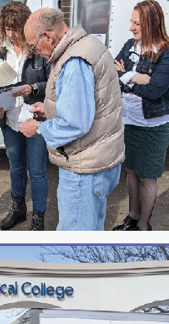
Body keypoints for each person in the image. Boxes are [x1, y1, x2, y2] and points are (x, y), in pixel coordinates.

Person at [19, 9, 124, 231]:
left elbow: (76, 123)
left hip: (84, 167)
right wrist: (49, 109)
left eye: (33, 45)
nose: (34, 51)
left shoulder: (74, 61)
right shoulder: (88, 44)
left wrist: (38, 128)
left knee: (74, 243)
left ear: (48, 36)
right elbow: (89, 104)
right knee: (91, 231)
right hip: (98, 158)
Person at [0, 2, 50, 231]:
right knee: (15, 167)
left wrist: (32, 88)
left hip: (34, 119)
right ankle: (18, 209)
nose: (11, 35)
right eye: (7, 29)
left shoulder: (37, 49)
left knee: (36, 171)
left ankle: (38, 216)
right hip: (9, 119)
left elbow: (52, 83)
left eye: (15, 29)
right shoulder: (0, 50)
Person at [112, 0, 169, 232]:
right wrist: (133, 77)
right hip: (128, 121)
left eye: (137, 23)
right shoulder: (130, 45)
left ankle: (144, 226)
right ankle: (132, 217)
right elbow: (113, 70)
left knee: (147, 177)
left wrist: (124, 78)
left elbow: (154, 90)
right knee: (131, 170)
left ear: (151, 24)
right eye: (131, 22)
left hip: (152, 127)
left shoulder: (165, 53)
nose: (131, 28)